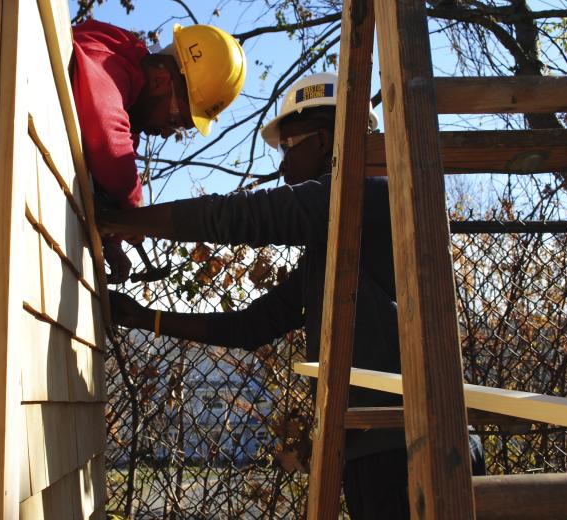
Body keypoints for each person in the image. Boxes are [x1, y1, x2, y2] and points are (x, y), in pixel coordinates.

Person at [96, 72, 485, 519]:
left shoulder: (374, 197)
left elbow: (246, 217)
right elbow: (251, 327)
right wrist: (143, 317)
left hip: (411, 449)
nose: (281, 165)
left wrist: (128, 220)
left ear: (321, 141)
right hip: (378, 451)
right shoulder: (336, 245)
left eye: (288, 146)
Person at [70, 19, 246, 282]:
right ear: (161, 81)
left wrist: (114, 240)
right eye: (175, 120)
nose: (166, 132)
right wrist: (134, 206)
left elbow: (107, 178)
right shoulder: (112, 56)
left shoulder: (130, 101)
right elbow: (105, 140)